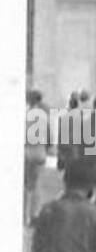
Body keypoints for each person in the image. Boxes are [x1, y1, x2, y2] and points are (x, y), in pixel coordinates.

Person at [25, 90, 49, 227]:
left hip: (27, 150)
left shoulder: (25, 114)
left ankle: (24, 214)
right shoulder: (43, 115)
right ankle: (34, 214)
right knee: (37, 185)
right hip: (39, 152)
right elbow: (49, 135)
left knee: (26, 185)